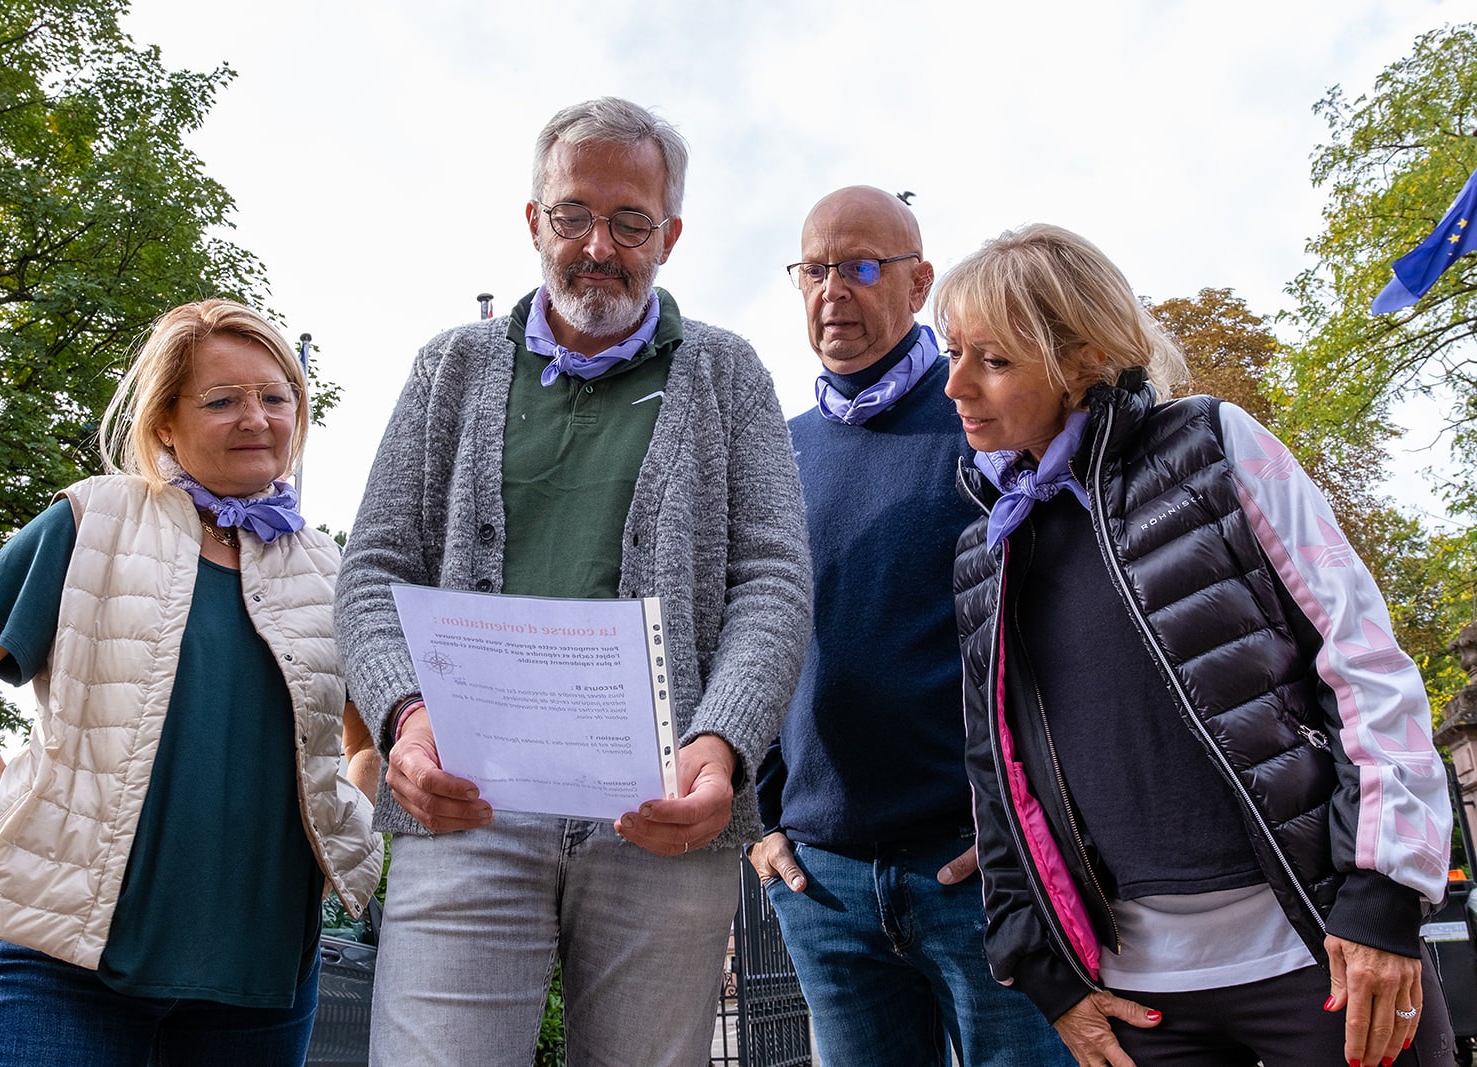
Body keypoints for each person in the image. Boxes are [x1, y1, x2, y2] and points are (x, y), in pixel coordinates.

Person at [334, 96, 812, 1067]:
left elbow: (772, 578)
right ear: (532, 221)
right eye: (573, 215)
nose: (599, 244)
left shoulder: (729, 374)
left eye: (630, 220)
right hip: (466, 802)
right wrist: (404, 718)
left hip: (661, 817)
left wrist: (719, 744)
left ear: (669, 233)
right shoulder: (450, 368)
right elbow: (373, 566)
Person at [938, 223, 1456, 1067]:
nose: (956, 383)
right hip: (1142, 997)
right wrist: (1046, 971)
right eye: (953, 352)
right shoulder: (982, 550)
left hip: (1318, 952)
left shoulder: (1213, 445)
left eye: (992, 359)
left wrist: (1382, 896)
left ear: (1080, 356)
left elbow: (1359, 657)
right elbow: (996, 773)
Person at [0, 299, 383, 1066]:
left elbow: (364, 738)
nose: (255, 418)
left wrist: (344, 823)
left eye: (275, 397)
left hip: (260, 981)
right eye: (222, 400)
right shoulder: (91, 519)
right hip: (65, 966)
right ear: (164, 422)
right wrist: (7, 808)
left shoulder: (330, 569)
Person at [750, 186, 1071, 1065]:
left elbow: (1068, 622)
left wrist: (1022, 821)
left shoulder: (987, 420)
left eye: (858, 267)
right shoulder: (780, 449)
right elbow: (745, 632)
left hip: (976, 872)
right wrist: (763, 818)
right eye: (813, 269)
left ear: (920, 280)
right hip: (823, 883)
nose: (831, 291)